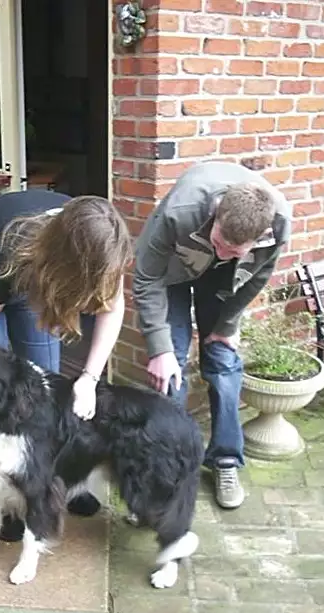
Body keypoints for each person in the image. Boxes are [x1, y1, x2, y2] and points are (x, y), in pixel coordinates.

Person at [0, 189, 132, 539]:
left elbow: (112, 308)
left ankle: (54, 483)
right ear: (69, 266)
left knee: (44, 390)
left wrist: (89, 379)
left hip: (38, 273)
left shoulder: (106, 244)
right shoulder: (10, 251)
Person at [132, 161, 291, 509]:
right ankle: (166, 471)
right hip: (172, 274)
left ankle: (225, 461)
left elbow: (258, 278)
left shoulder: (278, 225)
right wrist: (159, 350)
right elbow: (146, 278)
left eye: (234, 249)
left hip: (222, 280)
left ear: (258, 238)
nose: (222, 251)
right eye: (219, 242)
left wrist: (226, 326)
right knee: (169, 370)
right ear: (216, 214)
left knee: (222, 361)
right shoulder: (179, 212)